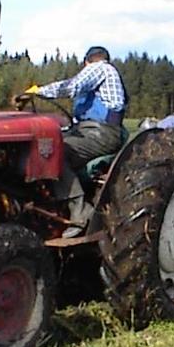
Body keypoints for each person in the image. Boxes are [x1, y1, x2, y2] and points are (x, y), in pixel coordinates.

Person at [15, 45, 128, 236]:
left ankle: (81, 212)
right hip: (87, 130)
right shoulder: (103, 77)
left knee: (55, 153)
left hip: (101, 133)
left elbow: (72, 86)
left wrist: (37, 92)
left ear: (87, 62)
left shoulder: (101, 68)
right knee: (45, 145)